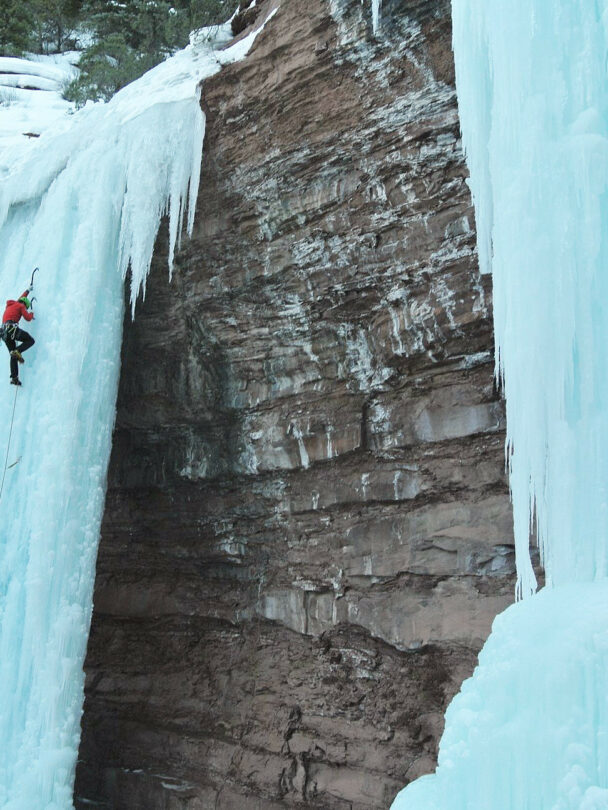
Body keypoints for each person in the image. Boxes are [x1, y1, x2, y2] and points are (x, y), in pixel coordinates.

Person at [1, 290, 35, 386]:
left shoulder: (11, 305)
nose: (25, 308)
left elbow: (21, 298)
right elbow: (27, 318)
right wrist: (31, 314)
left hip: (3, 332)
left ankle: (14, 378)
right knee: (30, 340)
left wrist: (27, 291)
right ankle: (18, 351)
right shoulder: (21, 306)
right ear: (25, 304)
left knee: (13, 355)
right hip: (11, 329)